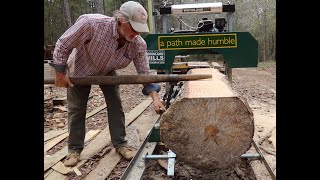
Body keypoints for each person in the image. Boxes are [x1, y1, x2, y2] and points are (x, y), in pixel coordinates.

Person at [50, 1, 166, 167]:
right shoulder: (92, 25)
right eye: (133, 28)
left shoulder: (138, 44)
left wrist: (155, 97)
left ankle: (121, 144)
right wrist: (60, 73)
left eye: (139, 29)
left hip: (107, 71)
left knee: (115, 105)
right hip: (81, 68)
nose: (136, 33)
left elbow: (144, 73)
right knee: (76, 109)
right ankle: (74, 150)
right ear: (120, 20)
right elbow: (63, 44)